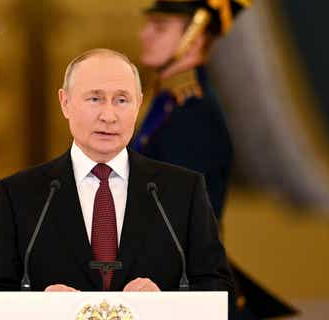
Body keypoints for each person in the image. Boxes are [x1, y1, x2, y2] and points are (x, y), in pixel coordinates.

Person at [0, 48, 235, 319]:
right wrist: (40, 307)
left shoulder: (183, 191)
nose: (109, 116)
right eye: (95, 99)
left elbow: (221, 293)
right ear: (65, 102)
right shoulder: (19, 195)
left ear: (139, 104)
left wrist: (164, 304)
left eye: (121, 100)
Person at [134, 1, 297, 318]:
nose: (144, 34)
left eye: (159, 27)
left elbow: (184, 226)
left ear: (193, 39)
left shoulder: (193, 117)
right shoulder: (170, 106)